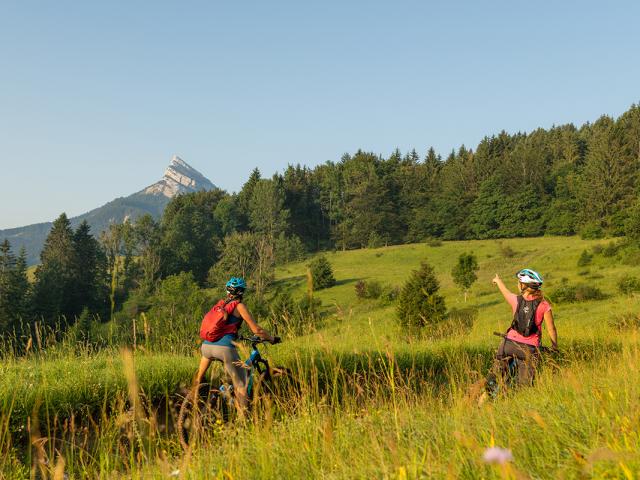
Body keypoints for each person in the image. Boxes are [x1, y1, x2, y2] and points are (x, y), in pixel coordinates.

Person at [195, 277, 278, 414]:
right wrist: (271, 338)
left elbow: (220, 326)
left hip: (206, 347)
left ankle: (190, 401)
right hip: (225, 349)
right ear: (241, 292)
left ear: (227, 290)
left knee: (198, 378)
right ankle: (243, 420)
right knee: (241, 385)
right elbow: (256, 330)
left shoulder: (220, 305)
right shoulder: (239, 306)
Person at [490, 268, 557, 387]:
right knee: (524, 386)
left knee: (494, 378)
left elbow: (505, 291)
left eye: (518, 282)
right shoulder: (544, 305)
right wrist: (554, 347)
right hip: (529, 350)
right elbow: (552, 329)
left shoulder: (516, 300)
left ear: (523, 286)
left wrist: (498, 280)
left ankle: (484, 397)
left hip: (508, 345)